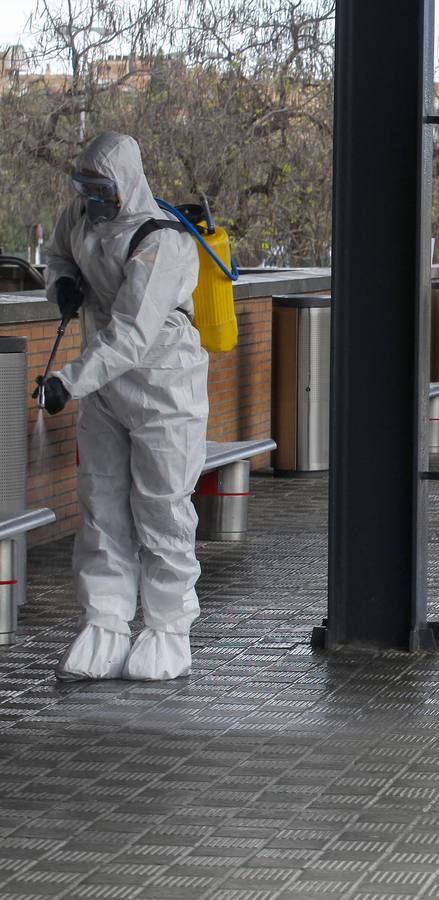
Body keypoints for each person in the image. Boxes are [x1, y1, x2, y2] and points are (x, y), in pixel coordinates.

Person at [37, 132, 208, 681]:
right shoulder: (79, 218)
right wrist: (61, 282)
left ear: (126, 183)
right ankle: (106, 623)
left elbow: (132, 335)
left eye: (101, 188)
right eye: (84, 187)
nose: (92, 199)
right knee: (103, 505)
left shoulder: (160, 241)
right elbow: (59, 253)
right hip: (105, 388)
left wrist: (68, 381)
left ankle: (167, 628)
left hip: (164, 386)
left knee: (162, 508)